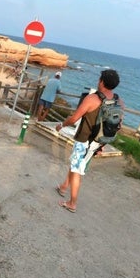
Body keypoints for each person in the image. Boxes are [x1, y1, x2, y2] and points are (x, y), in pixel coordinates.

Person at [55, 69, 123, 213]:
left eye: (99, 78)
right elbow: (119, 125)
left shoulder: (93, 99)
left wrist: (61, 125)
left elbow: (74, 118)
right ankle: (63, 187)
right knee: (77, 164)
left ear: (102, 82)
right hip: (97, 141)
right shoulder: (118, 101)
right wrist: (103, 142)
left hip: (84, 139)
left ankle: (72, 203)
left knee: (77, 169)